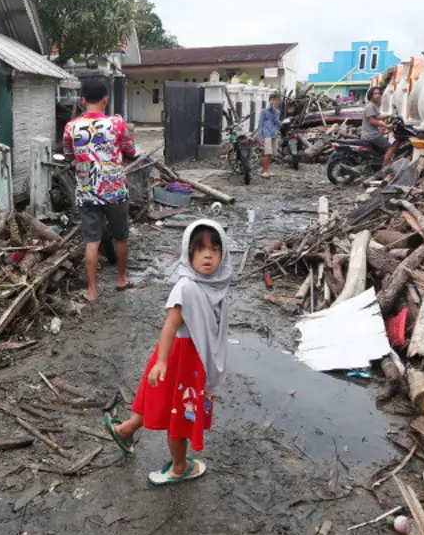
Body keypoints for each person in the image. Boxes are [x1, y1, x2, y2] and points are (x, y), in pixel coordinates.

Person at [103, 219, 233, 485]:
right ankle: (179, 467)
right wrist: (161, 361)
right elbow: (170, 325)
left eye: (214, 249)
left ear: (224, 254)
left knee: (160, 399)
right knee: (180, 415)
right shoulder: (186, 287)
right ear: (189, 253)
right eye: (199, 250)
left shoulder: (217, 286)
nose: (207, 255)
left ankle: (125, 430)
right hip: (180, 360)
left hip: (188, 360)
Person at [64, 78, 138, 303]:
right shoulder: (117, 124)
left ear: (83, 100)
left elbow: (68, 154)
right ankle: (121, 279)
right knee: (121, 237)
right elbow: (131, 151)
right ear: (106, 99)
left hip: (87, 191)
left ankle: (92, 291)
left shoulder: (71, 127)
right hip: (114, 190)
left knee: (92, 241)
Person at [360, 86, 393, 156]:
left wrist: (390, 115)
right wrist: (386, 125)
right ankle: (385, 167)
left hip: (368, 135)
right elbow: (372, 121)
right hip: (372, 135)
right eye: (375, 94)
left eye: (379, 93)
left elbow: (377, 117)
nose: (377, 95)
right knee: (391, 149)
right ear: (371, 95)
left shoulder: (373, 105)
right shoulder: (370, 106)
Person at [257, 94, 281, 178]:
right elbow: (260, 125)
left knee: (271, 154)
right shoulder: (263, 111)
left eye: (276, 100)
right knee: (267, 154)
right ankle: (264, 171)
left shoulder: (277, 112)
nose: (274, 101)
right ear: (269, 100)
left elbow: (276, 122)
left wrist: (274, 112)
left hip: (274, 134)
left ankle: (268, 170)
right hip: (266, 134)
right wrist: (260, 137)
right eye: (273, 100)